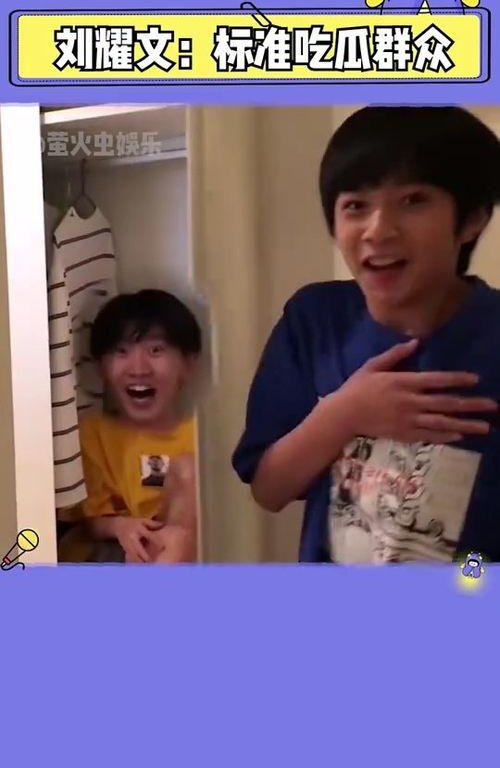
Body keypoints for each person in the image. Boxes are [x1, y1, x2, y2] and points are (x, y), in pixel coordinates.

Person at [233, 106, 500, 564]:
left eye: (413, 200)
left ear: (471, 219)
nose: (378, 230)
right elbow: (269, 490)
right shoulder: (314, 319)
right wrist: (344, 414)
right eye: (356, 206)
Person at [58, 289, 201, 564]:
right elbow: (89, 520)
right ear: (101, 367)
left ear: (188, 363)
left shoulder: (201, 436)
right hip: (111, 550)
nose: (139, 368)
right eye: (121, 351)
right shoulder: (93, 434)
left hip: (172, 549)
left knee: (187, 471)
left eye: (156, 350)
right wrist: (119, 526)